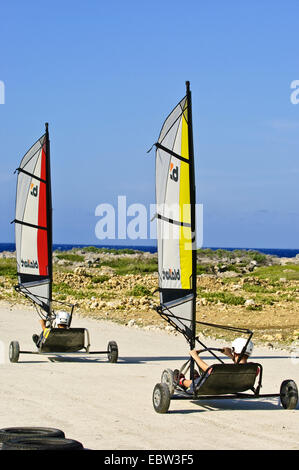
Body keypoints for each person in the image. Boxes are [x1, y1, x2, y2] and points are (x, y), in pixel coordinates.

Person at [177, 337, 254, 391]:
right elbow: (239, 366)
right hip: (236, 386)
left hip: (215, 386)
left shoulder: (223, 369)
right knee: (207, 377)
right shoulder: (254, 368)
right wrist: (230, 355)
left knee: (205, 379)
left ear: (234, 350)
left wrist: (195, 356)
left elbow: (207, 369)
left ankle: (181, 381)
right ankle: (197, 379)